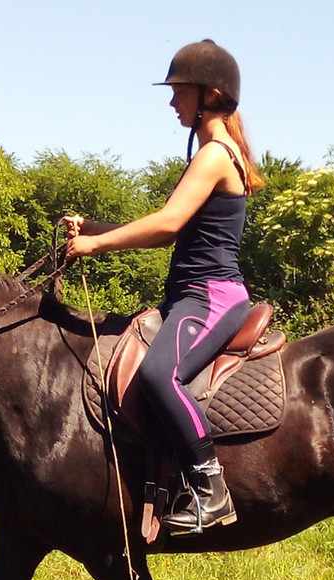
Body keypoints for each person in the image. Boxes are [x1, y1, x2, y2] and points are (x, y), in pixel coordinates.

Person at [64, 39, 264, 533]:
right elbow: (165, 227)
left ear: (210, 94)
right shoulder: (214, 153)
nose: (172, 102)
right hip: (191, 296)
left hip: (212, 297)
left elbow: (168, 225)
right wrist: (95, 228)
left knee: (158, 375)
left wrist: (95, 247)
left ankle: (210, 487)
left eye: (180, 92)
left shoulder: (216, 154)